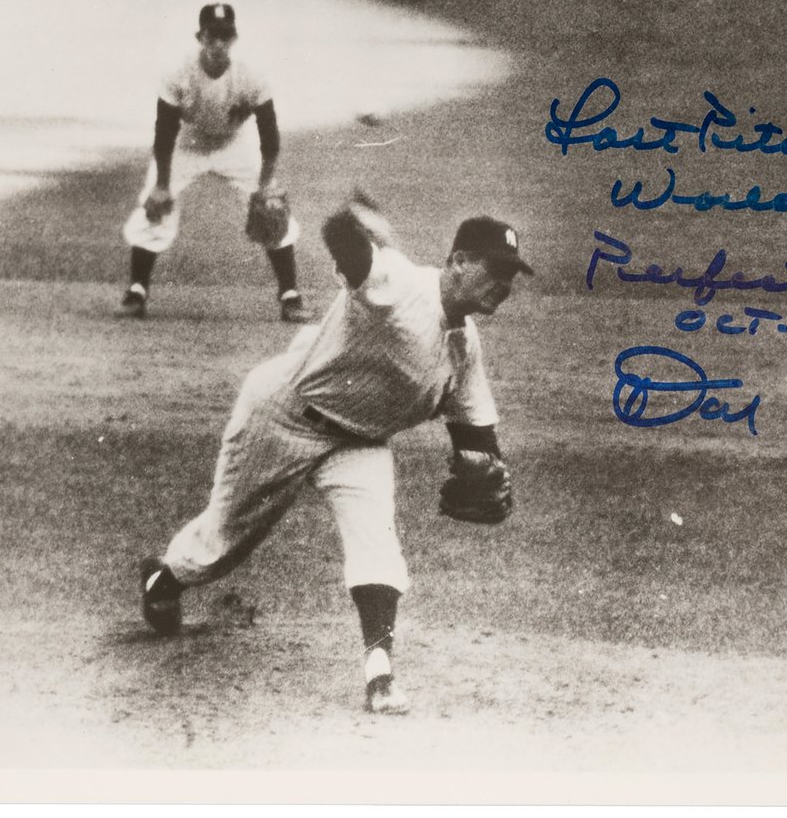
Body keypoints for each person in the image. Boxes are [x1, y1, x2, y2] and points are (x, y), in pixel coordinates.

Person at [137, 195, 530, 718]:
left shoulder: (465, 348)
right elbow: (349, 254)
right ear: (459, 261)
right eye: (495, 269)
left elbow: (476, 433)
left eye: (511, 274)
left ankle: (380, 673)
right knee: (221, 544)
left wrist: (491, 471)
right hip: (283, 416)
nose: (503, 284)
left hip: (360, 444)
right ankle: (162, 579)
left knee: (377, 544)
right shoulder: (398, 282)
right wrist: (350, 222)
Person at [120, 0, 302, 321]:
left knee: (272, 209)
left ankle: (291, 297)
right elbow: (164, 133)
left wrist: (264, 185)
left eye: (225, 35)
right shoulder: (178, 72)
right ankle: (137, 291)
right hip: (187, 142)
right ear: (199, 37)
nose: (218, 43)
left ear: (234, 37)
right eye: (211, 35)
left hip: (234, 144)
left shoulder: (252, 73)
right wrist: (163, 185)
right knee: (155, 205)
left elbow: (270, 136)